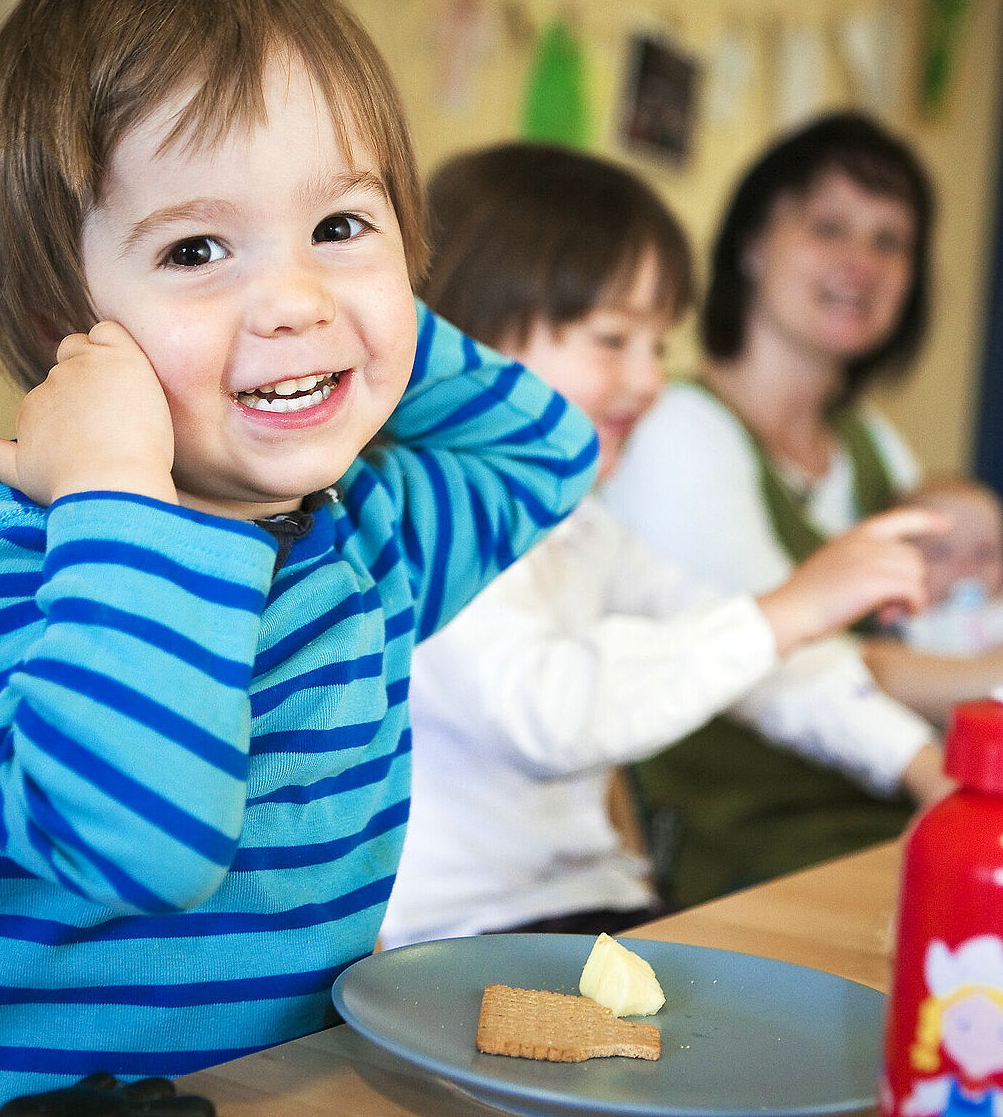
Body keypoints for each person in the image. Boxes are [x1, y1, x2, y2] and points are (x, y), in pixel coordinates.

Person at [0, 0, 598, 1117]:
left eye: (342, 225)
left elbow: (548, 454)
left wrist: (374, 319)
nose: (293, 300)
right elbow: (142, 843)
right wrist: (116, 485)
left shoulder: (362, 540)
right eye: (197, 249)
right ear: (69, 323)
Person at [378, 141, 947, 950]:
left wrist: (920, 765)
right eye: (612, 340)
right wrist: (787, 610)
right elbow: (555, 713)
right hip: (448, 940)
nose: (647, 380)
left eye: (658, 343)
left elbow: (757, 657)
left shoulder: (583, 525)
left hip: (588, 911)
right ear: (473, 339)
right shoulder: (425, 521)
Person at [603, 111, 945, 906]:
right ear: (755, 243)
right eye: (831, 227)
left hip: (880, 819)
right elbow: (780, 649)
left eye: (890, 241)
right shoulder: (679, 427)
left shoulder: (874, 446)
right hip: (741, 854)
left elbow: (936, 628)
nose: (862, 263)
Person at [864, 474, 1003, 720]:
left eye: (984, 553)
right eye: (940, 553)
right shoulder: (901, 624)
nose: (967, 567)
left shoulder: (996, 611)